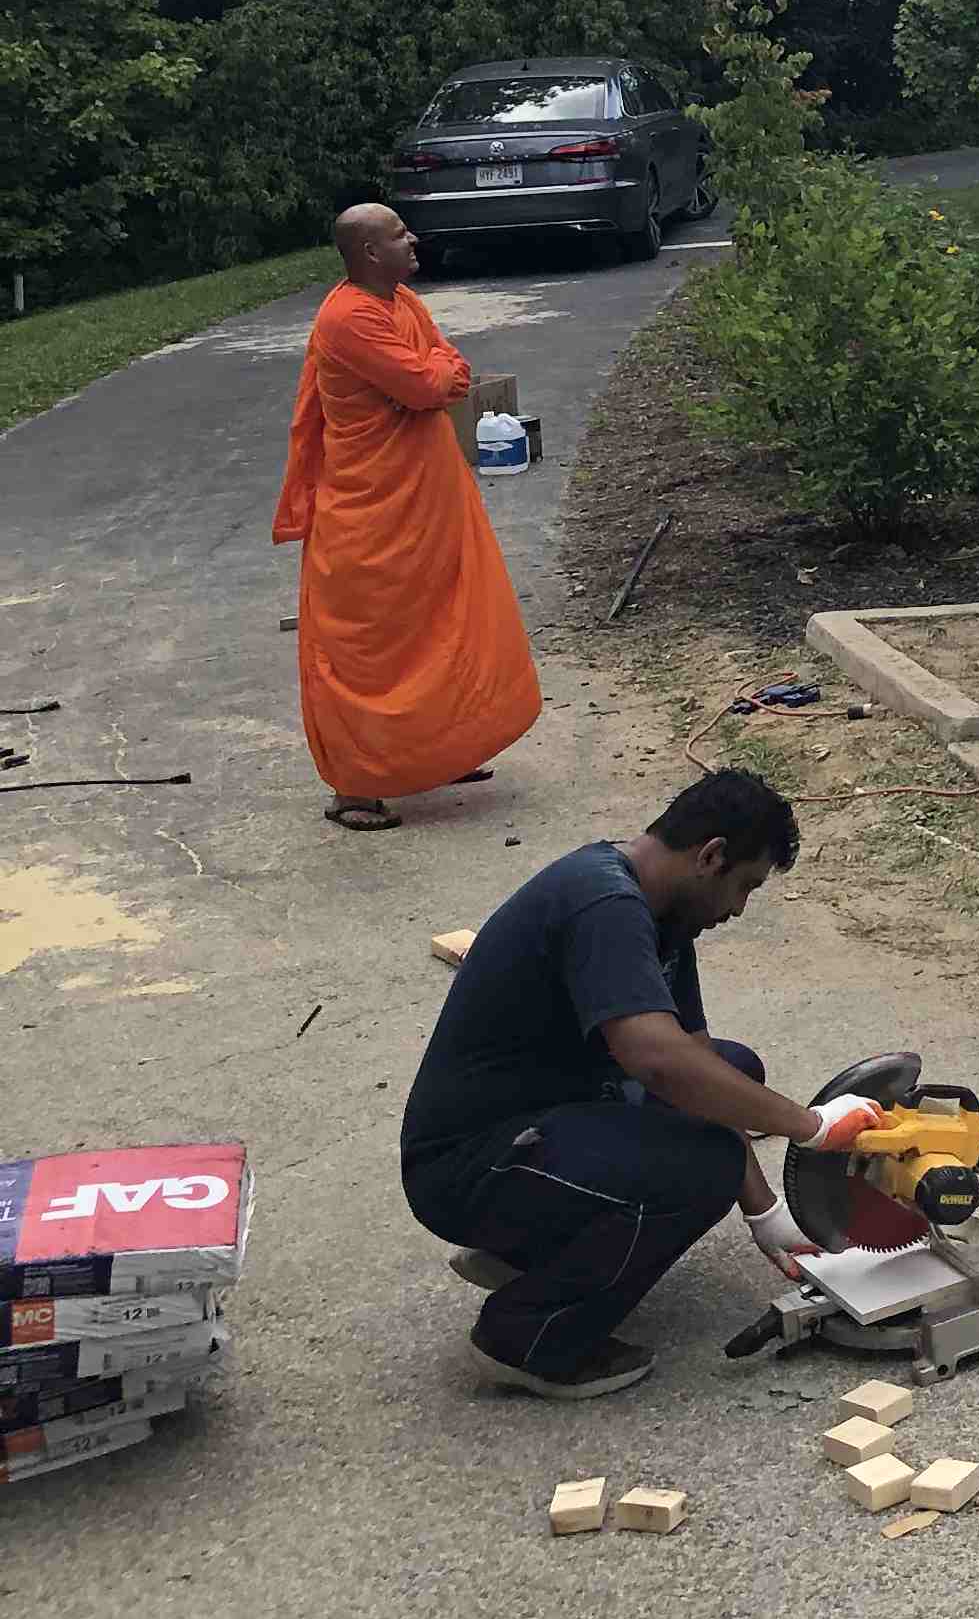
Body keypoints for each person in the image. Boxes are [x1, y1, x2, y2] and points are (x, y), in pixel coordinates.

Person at [400, 769, 887, 1399]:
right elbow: (656, 1060)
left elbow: (697, 1059)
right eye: (745, 885)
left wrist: (767, 1214)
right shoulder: (602, 903)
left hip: (537, 1122)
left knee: (732, 1071)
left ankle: (532, 1254)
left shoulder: (663, 916)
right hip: (466, 1167)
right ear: (711, 856)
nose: (739, 908)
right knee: (702, 1167)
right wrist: (813, 1126)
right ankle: (527, 1337)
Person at [270, 202, 542, 833]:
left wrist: (439, 374)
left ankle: (438, 752)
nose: (413, 239)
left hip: (424, 501)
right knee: (371, 650)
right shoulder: (349, 317)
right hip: (370, 512)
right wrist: (439, 375)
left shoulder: (402, 302)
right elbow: (430, 385)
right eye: (399, 235)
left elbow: (450, 368)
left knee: (441, 624)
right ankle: (355, 789)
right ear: (370, 252)